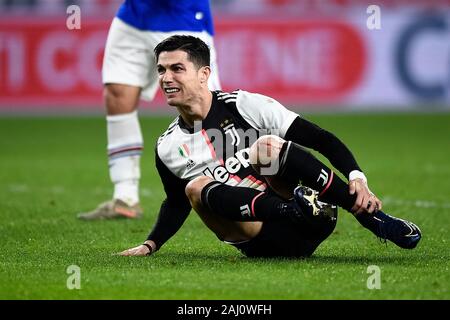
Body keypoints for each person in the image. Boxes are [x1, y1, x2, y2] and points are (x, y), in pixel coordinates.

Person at [119, 35, 421, 258]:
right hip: (260, 239)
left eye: (176, 69)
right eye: (161, 70)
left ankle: (371, 217)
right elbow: (175, 204)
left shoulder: (244, 104)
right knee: (194, 188)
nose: (166, 78)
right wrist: (150, 244)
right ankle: (291, 210)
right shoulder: (168, 146)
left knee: (266, 148)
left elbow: (320, 139)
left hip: (316, 218)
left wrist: (357, 177)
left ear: (204, 74)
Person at [78, 0, 221, 220]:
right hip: (133, 16)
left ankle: (235, 184)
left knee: (205, 105)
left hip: (181, 13)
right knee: (117, 93)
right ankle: (125, 198)